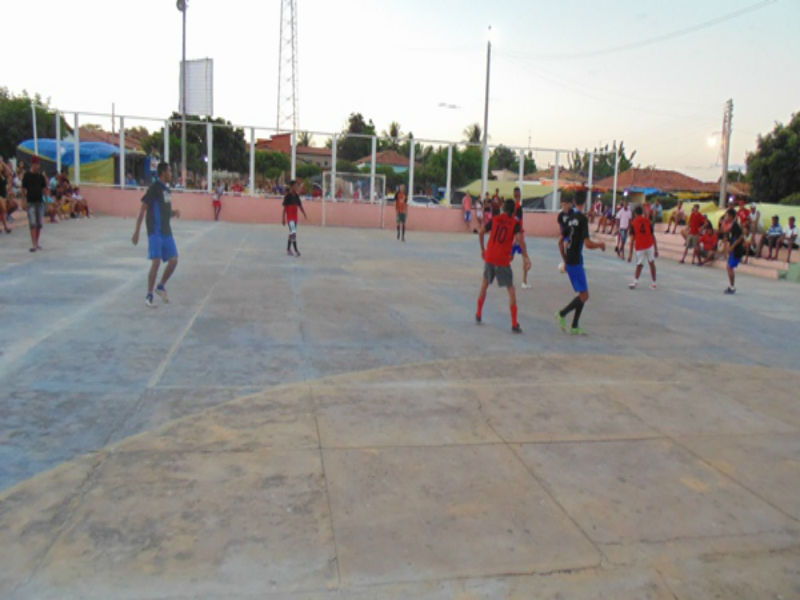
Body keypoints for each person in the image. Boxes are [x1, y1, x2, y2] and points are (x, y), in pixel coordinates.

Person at [475, 198, 529, 333]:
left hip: (490, 256)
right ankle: (514, 323)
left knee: (485, 284)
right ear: (513, 211)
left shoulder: (495, 219)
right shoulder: (515, 223)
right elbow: (520, 239)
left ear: (503, 209)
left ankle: (479, 313)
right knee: (511, 289)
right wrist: (525, 256)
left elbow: (481, 231)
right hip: (502, 260)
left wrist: (482, 249)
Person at [132, 162, 180, 308]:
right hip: (155, 230)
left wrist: (174, 213)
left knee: (174, 260)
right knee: (156, 261)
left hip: (166, 231)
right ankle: (149, 295)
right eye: (169, 171)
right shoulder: (154, 188)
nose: (171, 174)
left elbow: (166, 211)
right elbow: (143, 209)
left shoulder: (167, 190)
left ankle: (161, 286)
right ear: (163, 173)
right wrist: (137, 231)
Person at [556, 196, 606, 335]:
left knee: (582, 294)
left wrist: (565, 259)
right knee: (585, 295)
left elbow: (560, 242)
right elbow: (588, 244)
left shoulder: (570, 218)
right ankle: (562, 313)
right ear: (585, 202)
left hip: (571, 259)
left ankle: (574, 325)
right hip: (576, 260)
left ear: (574, 202)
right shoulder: (582, 219)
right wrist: (600, 245)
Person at [628, 205, 659, 289]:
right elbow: (653, 235)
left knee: (639, 264)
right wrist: (656, 249)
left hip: (640, 246)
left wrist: (630, 255)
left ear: (635, 213)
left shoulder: (633, 223)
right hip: (649, 244)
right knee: (651, 263)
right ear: (641, 213)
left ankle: (635, 282)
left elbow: (632, 240)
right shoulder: (648, 221)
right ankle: (654, 283)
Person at [22, 156, 47, 252]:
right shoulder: (27, 175)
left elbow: (44, 189)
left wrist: (46, 201)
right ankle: (34, 244)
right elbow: (23, 188)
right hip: (31, 202)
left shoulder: (41, 177)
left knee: (39, 224)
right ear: (32, 165)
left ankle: (36, 242)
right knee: (32, 223)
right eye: (35, 164)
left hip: (40, 202)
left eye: (38, 164)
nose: (37, 166)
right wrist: (24, 200)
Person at [511, 187, 532, 289]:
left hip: (515, 235)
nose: (518, 196)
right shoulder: (518, 207)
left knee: (509, 258)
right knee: (525, 257)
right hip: (517, 236)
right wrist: (516, 237)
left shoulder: (513, 207)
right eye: (518, 194)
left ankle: (524, 281)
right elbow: (515, 223)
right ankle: (524, 282)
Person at [282, 179, 308, 256]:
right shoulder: (287, 196)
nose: (297, 187)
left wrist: (304, 214)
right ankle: (296, 250)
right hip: (290, 218)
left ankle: (288, 249)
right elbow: (284, 209)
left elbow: (300, 206)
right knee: (293, 233)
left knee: (291, 233)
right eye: (295, 186)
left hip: (295, 218)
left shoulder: (296, 196)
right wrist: (283, 219)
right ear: (291, 187)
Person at [722, 208, 745, 295]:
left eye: (727, 216)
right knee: (729, 267)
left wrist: (732, 246)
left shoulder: (736, 226)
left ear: (731, 217)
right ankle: (731, 285)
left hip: (736, 250)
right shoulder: (731, 226)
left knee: (729, 267)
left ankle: (732, 286)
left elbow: (741, 237)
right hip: (733, 249)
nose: (725, 217)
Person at [0, 158, 11, 233]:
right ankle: (6, 227)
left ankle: (5, 226)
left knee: (3, 212)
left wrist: (2, 162)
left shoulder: (3, 175)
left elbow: (9, 171)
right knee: (3, 209)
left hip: (3, 195)